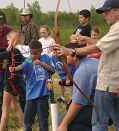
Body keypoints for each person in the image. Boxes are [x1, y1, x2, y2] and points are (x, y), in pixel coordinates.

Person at [54, 0, 119, 130]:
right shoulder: (114, 29)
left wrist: (71, 51)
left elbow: (99, 47)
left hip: (107, 86)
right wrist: (86, 39)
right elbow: (103, 43)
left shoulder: (83, 70)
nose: (104, 15)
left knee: (98, 125)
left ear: (117, 11)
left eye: (107, 11)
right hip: (111, 87)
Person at [9, 40, 55, 131]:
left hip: (43, 96)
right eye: (31, 53)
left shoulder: (46, 58)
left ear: (41, 51)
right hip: (30, 96)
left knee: (43, 121)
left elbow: (52, 70)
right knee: (27, 122)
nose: (33, 55)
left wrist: (41, 63)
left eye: (35, 53)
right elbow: (22, 66)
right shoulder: (29, 59)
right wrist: (14, 69)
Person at [56, 43, 98, 131]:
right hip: (106, 104)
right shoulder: (92, 61)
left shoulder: (83, 71)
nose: (65, 56)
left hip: (101, 110)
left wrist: (63, 125)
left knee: (63, 121)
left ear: (75, 57)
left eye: (67, 55)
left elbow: (78, 103)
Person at [0, 31, 26, 131]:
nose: (7, 41)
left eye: (8, 40)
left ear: (13, 40)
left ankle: (1, 129)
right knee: (14, 105)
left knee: (5, 108)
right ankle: (25, 126)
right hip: (16, 81)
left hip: (10, 82)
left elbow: (1, 60)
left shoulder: (14, 51)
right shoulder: (18, 50)